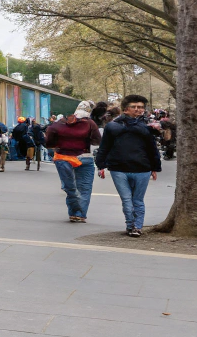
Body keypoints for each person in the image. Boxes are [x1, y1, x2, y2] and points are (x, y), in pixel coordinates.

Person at [96, 95, 162, 237]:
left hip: (142, 168)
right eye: (134, 107)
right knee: (126, 200)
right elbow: (104, 147)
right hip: (119, 169)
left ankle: (137, 227)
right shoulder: (113, 126)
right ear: (125, 109)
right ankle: (130, 225)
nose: (138, 109)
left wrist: (155, 167)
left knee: (137, 200)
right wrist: (100, 165)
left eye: (141, 107)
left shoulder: (147, 127)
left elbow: (152, 149)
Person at [45, 104, 101, 222]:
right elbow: (97, 141)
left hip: (63, 157)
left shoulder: (58, 124)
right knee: (85, 188)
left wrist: (57, 146)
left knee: (70, 186)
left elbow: (49, 140)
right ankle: (79, 214)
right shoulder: (90, 123)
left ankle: (74, 210)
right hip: (86, 156)